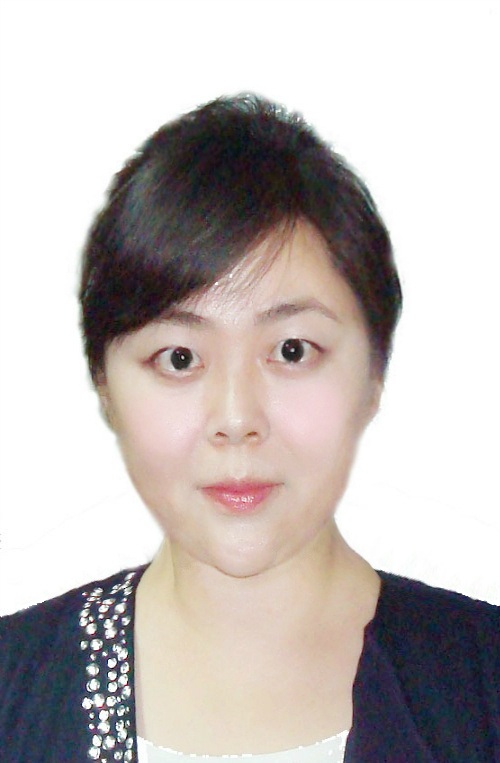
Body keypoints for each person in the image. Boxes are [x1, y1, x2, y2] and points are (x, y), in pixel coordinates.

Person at [0, 94, 498, 763]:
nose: (237, 419)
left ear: (374, 372)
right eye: (179, 358)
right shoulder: (13, 691)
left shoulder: (482, 685)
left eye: (292, 350)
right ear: (104, 385)